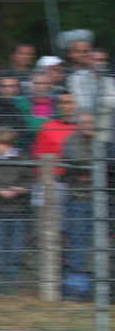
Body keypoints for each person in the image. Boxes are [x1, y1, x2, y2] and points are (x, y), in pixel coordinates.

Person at [0, 127, 34, 290]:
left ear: (5, 144)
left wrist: (20, 189)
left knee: (15, 248)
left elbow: (31, 181)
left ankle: (12, 283)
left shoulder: (23, 158)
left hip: (19, 211)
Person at [62, 113, 100, 295]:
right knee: (78, 243)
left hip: (102, 201)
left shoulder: (104, 139)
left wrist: (98, 170)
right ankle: (78, 289)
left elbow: (109, 162)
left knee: (99, 245)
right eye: (84, 122)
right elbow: (77, 160)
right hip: (78, 200)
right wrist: (99, 169)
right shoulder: (72, 140)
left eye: (92, 122)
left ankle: (100, 286)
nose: (88, 125)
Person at [66, 45, 115, 134]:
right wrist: (104, 101)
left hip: (105, 129)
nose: (99, 63)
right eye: (95, 59)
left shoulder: (109, 81)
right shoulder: (76, 78)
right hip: (81, 128)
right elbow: (81, 103)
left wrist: (99, 100)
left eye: (102, 60)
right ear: (88, 60)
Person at [0, 76, 31, 148]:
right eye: (4, 86)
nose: (9, 90)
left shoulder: (24, 108)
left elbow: (24, 135)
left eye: (13, 86)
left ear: (18, 89)